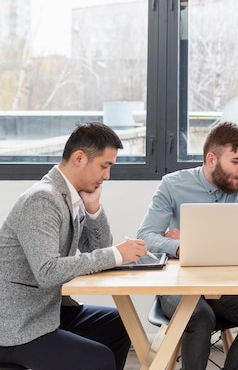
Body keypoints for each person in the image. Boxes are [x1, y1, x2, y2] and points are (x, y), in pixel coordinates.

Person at [0, 122, 147, 370]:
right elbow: (48, 272)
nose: (107, 176)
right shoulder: (42, 199)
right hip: (16, 327)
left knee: (122, 325)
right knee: (99, 359)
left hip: (47, 312)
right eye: (104, 166)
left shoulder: (69, 196)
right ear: (79, 158)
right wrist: (116, 254)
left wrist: (93, 210)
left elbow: (97, 249)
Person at [137, 120, 238, 370]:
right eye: (236, 161)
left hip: (226, 285)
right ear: (212, 159)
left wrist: (186, 235)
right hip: (179, 286)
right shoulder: (172, 184)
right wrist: (179, 246)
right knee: (199, 316)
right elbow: (145, 236)